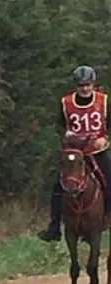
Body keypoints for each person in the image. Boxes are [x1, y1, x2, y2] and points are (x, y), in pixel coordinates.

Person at [37, 65, 111, 242]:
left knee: (110, 179)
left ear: (93, 85)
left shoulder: (104, 101)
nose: (85, 89)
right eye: (81, 85)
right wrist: (65, 133)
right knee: (58, 186)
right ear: (76, 86)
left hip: (97, 150)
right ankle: (54, 226)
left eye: (88, 85)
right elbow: (59, 124)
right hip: (74, 153)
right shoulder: (66, 103)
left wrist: (105, 138)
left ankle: (106, 217)